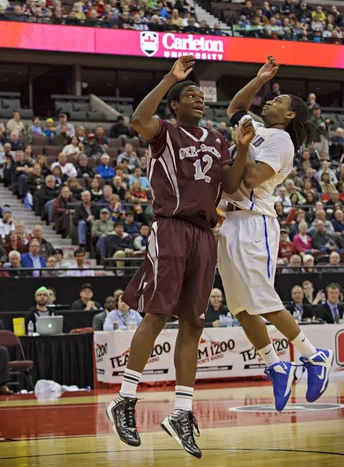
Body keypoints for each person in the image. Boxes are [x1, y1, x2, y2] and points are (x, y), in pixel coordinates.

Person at [107, 55, 254, 458]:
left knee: (193, 323)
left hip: (206, 233)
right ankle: (124, 397)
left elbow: (232, 182)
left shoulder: (217, 138)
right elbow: (138, 118)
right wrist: (168, 77)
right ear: (173, 104)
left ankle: (182, 412)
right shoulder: (164, 131)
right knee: (156, 315)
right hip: (170, 227)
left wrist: (241, 149)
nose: (198, 99)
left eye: (199, 95)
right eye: (188, 94)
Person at [218, 54, 333, 415]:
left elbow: (250, 179)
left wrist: (239, 148)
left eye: (278, 101)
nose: (269, 100)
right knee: (240, 307)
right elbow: (235, 106)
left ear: (290, 116)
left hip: (255, 223)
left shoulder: (281, 140)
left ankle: (315, 357)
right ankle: (276, 363)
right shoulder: (259, 128)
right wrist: (259, 79)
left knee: (264, 301)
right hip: (230, 222)